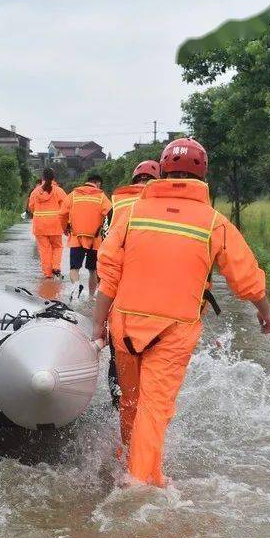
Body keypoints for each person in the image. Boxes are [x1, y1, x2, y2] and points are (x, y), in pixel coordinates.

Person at [93, 138, 270, 487]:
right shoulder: (214, 223)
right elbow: (246, 277)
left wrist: (97, 327)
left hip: (126, 325)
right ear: (204, 174)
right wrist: (265, 312)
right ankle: (140, 483)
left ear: (162, 171)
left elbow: (108, 277)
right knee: (154, 407)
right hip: (174, 331)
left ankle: (129, 458)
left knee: (131, 400)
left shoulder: (129, 214)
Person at [104, 160, 160, 407]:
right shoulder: (166, 205)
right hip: (157, 292)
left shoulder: (116, 205)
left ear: (134, 178)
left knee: (119, 347)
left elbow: (104, 251)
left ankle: (119, 397)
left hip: (120, 291)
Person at [59, 172, 112, 299]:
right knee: (93, 270)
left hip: (76, 239)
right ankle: (91, 297)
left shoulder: (73, 195)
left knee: (74, 269)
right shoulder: (101, 197)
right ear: (97, 183)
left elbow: (61, 214)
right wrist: (107, 233)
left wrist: (65, 228)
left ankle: (76, 287)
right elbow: (111, 214)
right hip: (95, 241)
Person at [27, 168, 68, 279]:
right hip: (55, 224)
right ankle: (56, 267)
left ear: (42, 178)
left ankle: (47, 274)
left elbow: (31, 207)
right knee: (57, 247)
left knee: (44, 249)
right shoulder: (59, 191)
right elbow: (66, 207)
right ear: (53, 177)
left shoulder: (35, 192)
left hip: (39, 225)